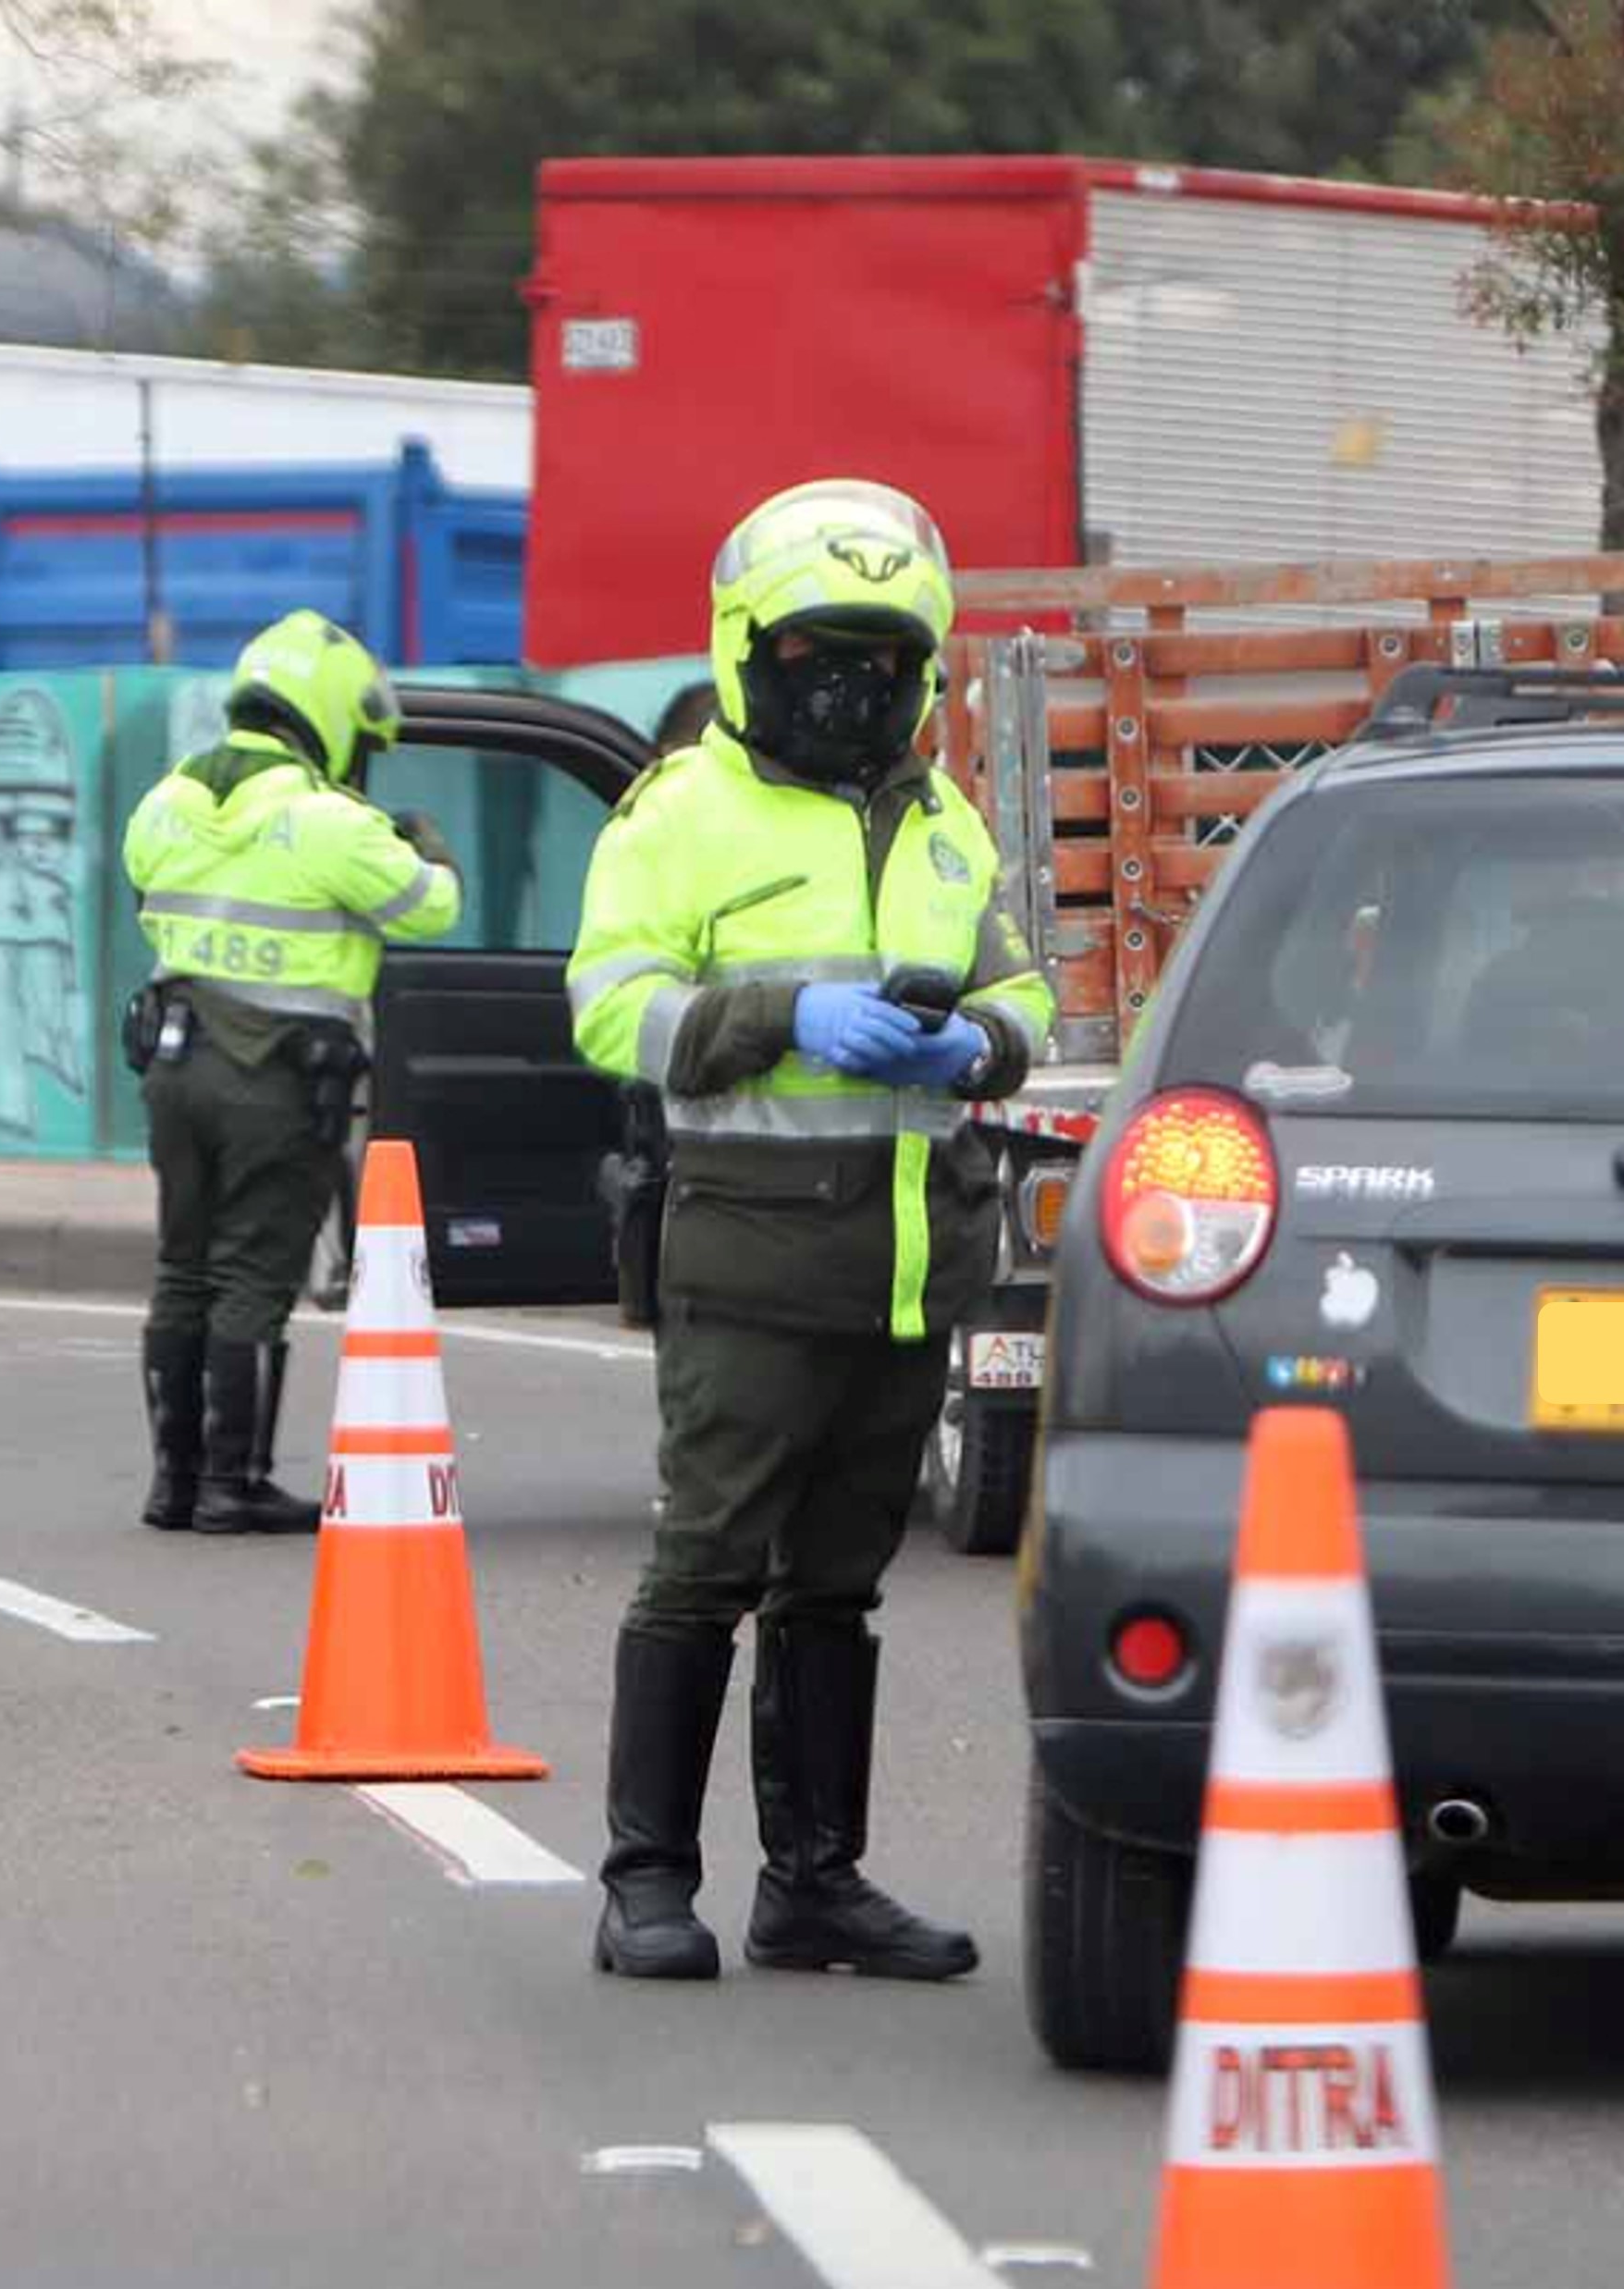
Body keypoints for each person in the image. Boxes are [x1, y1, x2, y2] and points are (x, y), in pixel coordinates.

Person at [566, 478, 1054, 1983]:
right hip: (752, 1262)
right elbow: (605, 1010)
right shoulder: (682, 813)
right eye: (818, 656)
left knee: (838, 1585)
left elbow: (1024, 992)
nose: (854, 688)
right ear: (744, 655)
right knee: (705, 1566)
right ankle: (646, 1881)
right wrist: (783, 1015)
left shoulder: (948, 823)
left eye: (887, 661)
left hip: (910, 1270)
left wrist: (975, 1049)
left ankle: (814, 1885)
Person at [124, 609, 463, 1536]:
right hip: (273, 1078)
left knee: (181, 1269)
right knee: (250, 1277)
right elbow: (431, 908)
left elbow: (148, 895)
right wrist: (422, 843)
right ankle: (235, 1483)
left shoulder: (166, 803)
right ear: (327, 715)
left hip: (173, 1062)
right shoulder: (330, 823)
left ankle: (175, 1483)